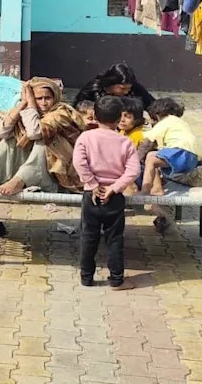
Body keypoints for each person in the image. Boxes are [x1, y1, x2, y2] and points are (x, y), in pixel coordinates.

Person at [0, 77, 87, 195]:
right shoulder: (28, 113)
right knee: (11, 140)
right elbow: (2, 132)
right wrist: (23, 104)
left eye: (47, 98)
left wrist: (32, 105)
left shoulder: (61, 112)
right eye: (38, 98)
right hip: (40, 165)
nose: (43, 103)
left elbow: (35, 132)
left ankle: (19, 181)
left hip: (60, 171)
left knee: (42, 141)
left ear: (55, 98)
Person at [72, 96, 140, 290]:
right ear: (119, 119)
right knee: (115, 238)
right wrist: (114, 188)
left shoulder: (85, 137)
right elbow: (133, 170)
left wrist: (93, 184)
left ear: (94, 116)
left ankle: (86, 278)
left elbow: (79, 163)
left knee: (88, 236)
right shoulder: (124, 142)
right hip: (114, 197)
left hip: (91, 195)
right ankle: (117, 280)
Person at [139, 98, 202, 233]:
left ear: (156, 115)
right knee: (155, 159)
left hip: (181, 152)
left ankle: (144, 191)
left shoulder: (166, 121)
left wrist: (135, 160)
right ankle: (157, 190)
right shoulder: (181, 123)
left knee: (150, 158)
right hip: (192, 157)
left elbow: (147, 142)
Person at [73, 63, 156, 110]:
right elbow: (78, 109)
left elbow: (152, 105)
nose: (127, 92)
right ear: (111, 83)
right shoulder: (93, 89)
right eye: (122, 88)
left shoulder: (135, 88)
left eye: (129, 88)